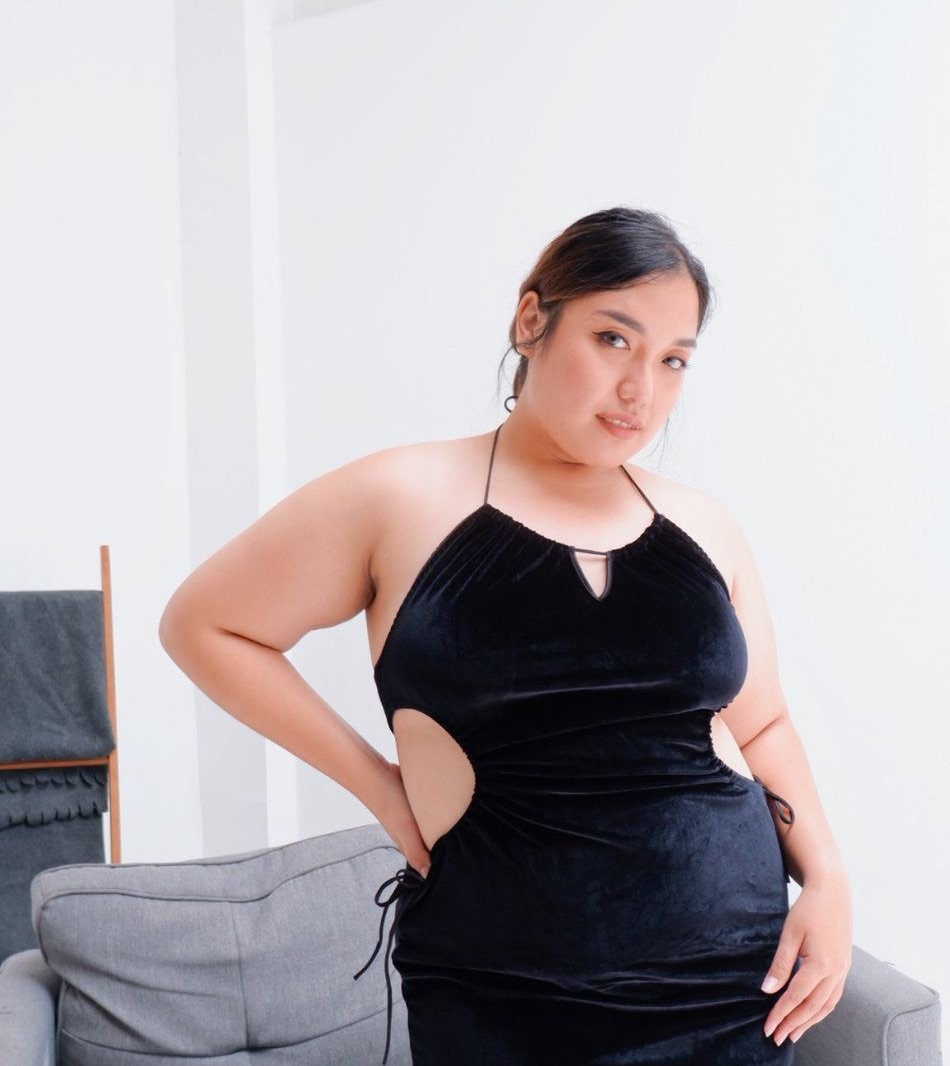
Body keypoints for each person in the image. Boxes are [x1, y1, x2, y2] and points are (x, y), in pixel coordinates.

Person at [159, 206, 853, 1065]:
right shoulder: (398, 497)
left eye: (673, 360)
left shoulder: (704, 525)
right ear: (532, 320)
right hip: (500, 988)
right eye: (613, 339)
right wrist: (383, 790)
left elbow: (763, 723)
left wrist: (827, 878)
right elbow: (206, 625)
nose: (641, 391)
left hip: (725, 983)